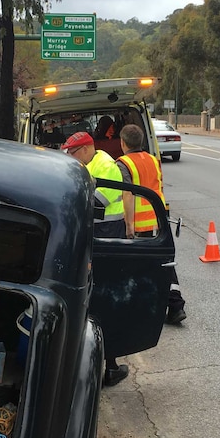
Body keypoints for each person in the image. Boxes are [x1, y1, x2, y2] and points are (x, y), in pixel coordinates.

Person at [61, 130, 131, 386]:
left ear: (87, 148)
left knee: (104, 298)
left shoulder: (106, 166)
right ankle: (102, 365)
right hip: (98, 239)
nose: (71, 157)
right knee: (94, 298)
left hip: (108, 239)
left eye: (74, 152)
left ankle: (109, 366)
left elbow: (94, 205)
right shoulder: (89, 165)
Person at [116, 124, 187, 325]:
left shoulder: (123, 163)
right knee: (163, 262)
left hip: (139, 224)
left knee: (139, 266)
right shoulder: (153, 160)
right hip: (158, 219)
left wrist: (128, 225)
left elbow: (127, 194)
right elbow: (159, 186)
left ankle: (143, 308)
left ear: (122, 143)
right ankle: (175, 306)